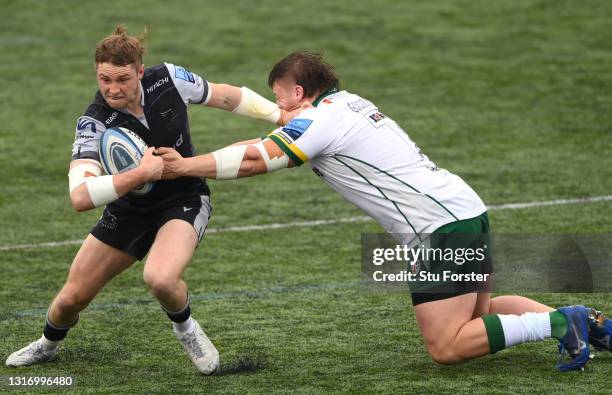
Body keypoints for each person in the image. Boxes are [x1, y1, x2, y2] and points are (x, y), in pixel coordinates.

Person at [155, 51, 612, 371]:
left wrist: (184, 167)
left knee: (447, 346)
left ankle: (560, 321)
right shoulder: (347, 104)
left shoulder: (319, 121)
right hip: (464, 209)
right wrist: (198, 159)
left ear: (298, 90)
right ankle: (589, 325)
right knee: (478, 317)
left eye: (280, 98)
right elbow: (260, 140)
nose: (278, 107)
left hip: (439, 231)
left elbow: (259, 159)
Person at [5, 26, 302, 375]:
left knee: (160, 278)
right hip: (128, 211)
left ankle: (187, 330)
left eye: (122, 79)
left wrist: (279, 117)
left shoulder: (169, 79)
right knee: (70, 299)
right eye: (105, 79)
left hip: (184, 198)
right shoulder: (93, 122)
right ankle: (47, 345)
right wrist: (139, 174)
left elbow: (225, 96)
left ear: (140, 72)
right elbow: (80, 197)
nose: (113, 88)